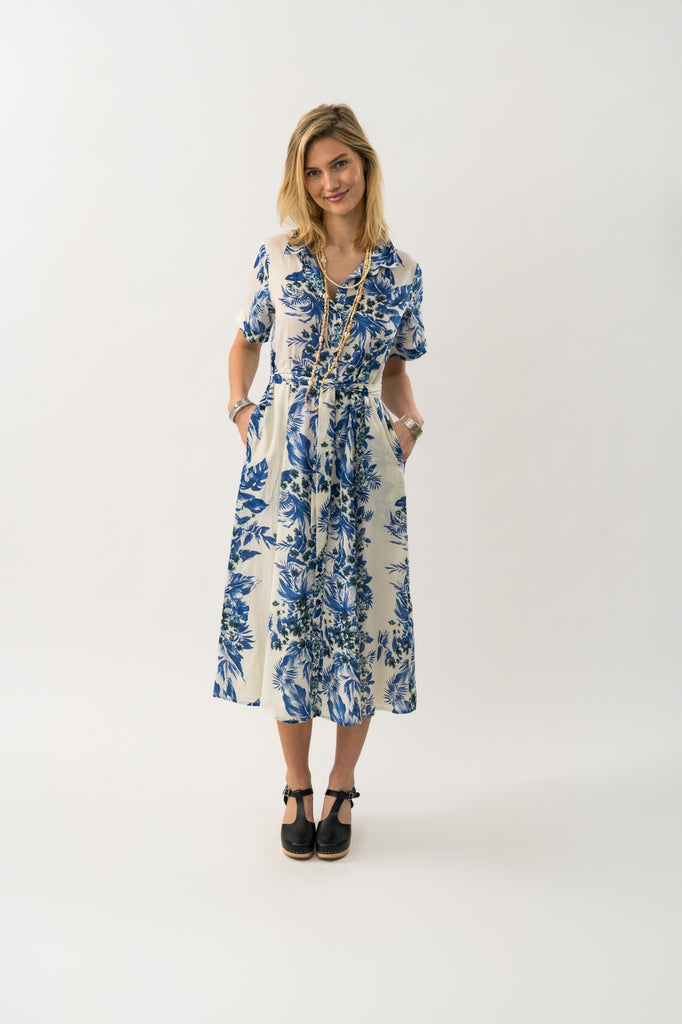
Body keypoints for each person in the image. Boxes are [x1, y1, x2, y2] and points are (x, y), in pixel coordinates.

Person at [213, 103, 426, 860]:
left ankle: (343, 785)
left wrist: (408, 426)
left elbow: (397, 369)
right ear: (299, 179)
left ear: (364, 166)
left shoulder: (402, 272)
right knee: (289, 618)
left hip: (366, 472)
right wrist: (244, 415)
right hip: (284, 468)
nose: (328, 180)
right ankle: (295, 784)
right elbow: (243, 346)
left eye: (339, 164)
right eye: (313, 168)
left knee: (358, 627)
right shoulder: (278, 257)